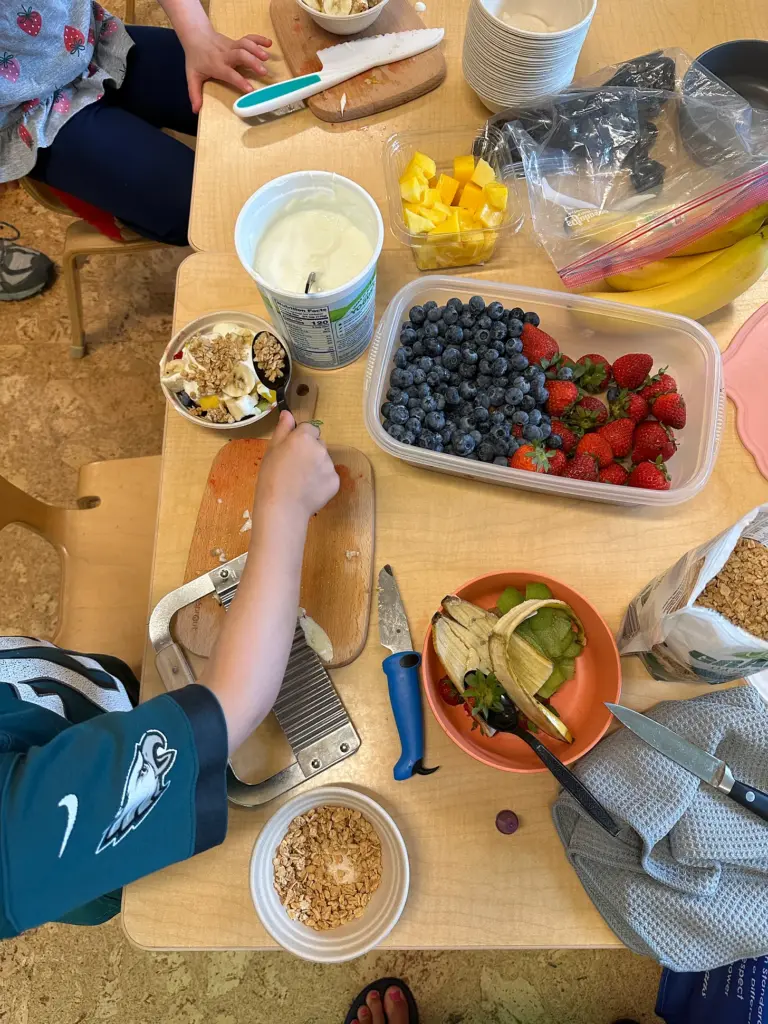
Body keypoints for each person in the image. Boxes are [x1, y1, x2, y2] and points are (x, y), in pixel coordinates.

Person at [0, 412, 339, 937]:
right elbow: (229, 706)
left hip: (89, 700)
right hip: (114, 857)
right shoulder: (18, 849)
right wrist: (283, 506)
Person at [0, 0, 272, 246]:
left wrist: (199, 37)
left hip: (92, 40)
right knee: (205, 210)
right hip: (23, 115)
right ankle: (105, 205)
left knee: (264, 104)